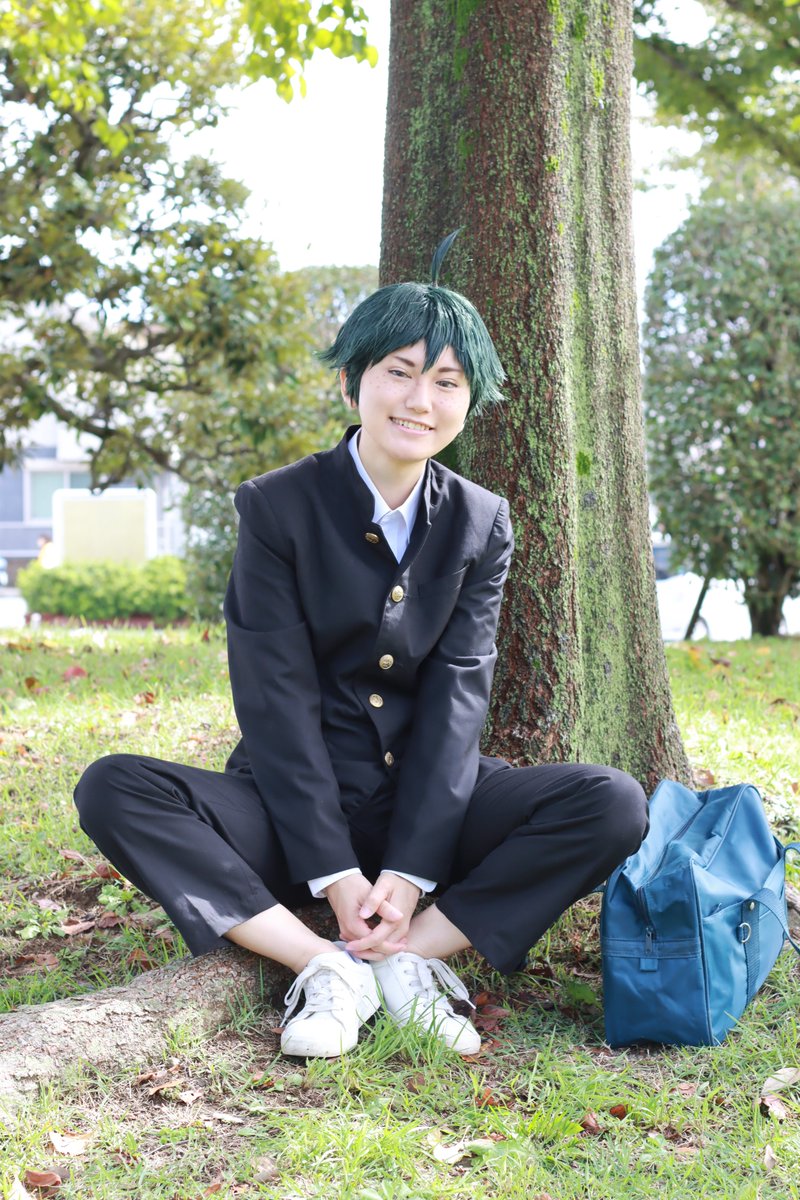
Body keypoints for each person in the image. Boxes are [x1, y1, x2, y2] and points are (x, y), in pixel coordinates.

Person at [74, 248, 648, 1059]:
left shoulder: (482, 520)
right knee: (112, 787)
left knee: (613, 803)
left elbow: (458, 696)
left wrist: (409, 873)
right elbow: (273, 700)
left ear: (469, 401)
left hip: (430, 804)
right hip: (288, 808)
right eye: (400, 373)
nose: (421, 400)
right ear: (353, 384)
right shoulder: (277, 506)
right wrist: (334, 873)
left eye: (447, 382)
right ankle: (325, 964)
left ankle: (410, 957)